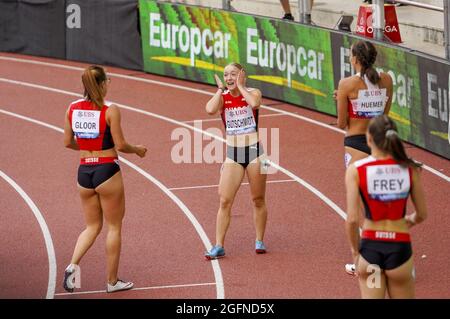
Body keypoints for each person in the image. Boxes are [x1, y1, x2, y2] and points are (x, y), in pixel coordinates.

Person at [63, 65, 147, 293]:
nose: (109, 84)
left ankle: (73, 265)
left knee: (91, 226)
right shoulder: (111, 109)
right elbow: (120, 145)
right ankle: (112, 282)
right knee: (114, 227)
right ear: (100, 84)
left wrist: (90, 147)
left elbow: (68, 142)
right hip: (107, 171)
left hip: (84, 173)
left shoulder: (72, 108)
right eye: (108, 80)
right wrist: (137, 149)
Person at [345, 115, 427, 298]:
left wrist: (355, 254)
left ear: (369, 139)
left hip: (371, 249)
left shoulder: (356, 169)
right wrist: (409, 221)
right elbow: (422, 214)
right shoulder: (409, 168)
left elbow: (352, 220)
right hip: (399, 249)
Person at [336, 40, 393, 275]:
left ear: (355, 59)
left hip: (357, 145)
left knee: (356, 210)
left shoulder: (346, 84)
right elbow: (385, 115)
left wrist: (340, 98)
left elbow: (341, 123)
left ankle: (362, 260)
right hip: (380, 143)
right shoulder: (387, 80)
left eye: (351, 55)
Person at [204, 62, 268, 259]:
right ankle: (218, 245)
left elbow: (255, 104)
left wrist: (240, 86)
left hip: (256, 153)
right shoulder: (222, 98)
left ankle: (259, 240)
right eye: (226, 75)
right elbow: (209, 109)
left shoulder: (253, 92)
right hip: (234, 154)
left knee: (258, 199)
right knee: (224, 200)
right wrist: (220, 90)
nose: (229, 78)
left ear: (242, 75)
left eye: (233, 74)